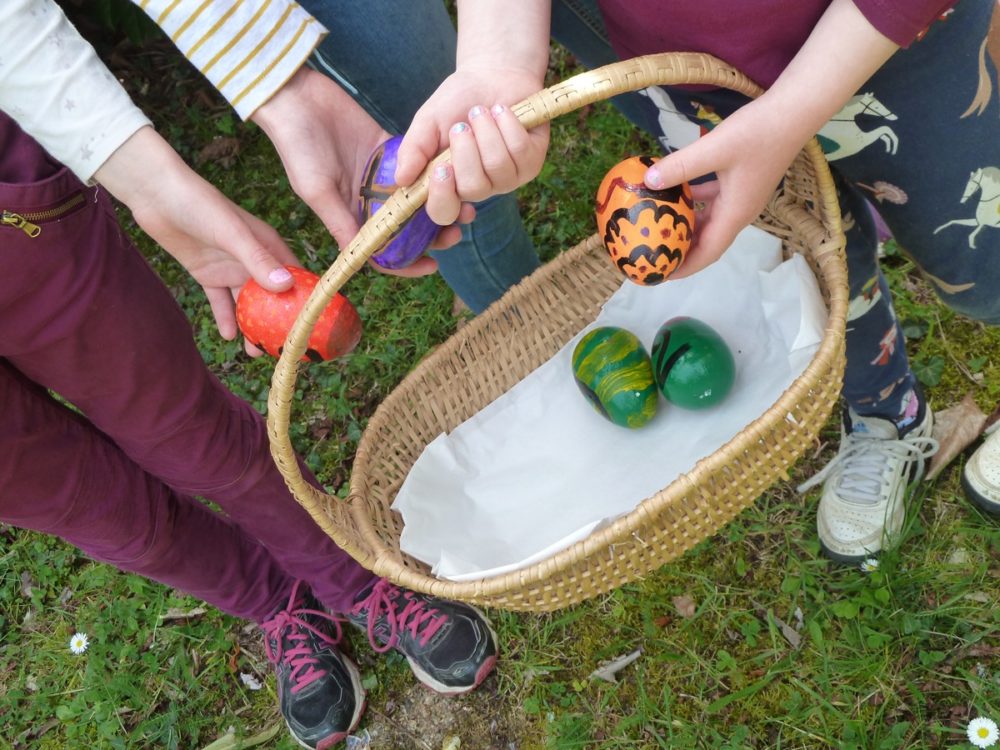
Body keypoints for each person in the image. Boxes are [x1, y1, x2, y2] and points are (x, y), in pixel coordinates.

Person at [0, 1, 498, 748]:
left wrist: (148, 178)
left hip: (19, 241)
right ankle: (273, 602)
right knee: (101, 514)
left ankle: (354, 580)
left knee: (189, 434)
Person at [394, 0, 1000, 564]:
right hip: (704, 81)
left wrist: (790, 114)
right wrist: (496, 58)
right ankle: (886, 412)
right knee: (814, 247)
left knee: (979, 253)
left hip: (903, 45)